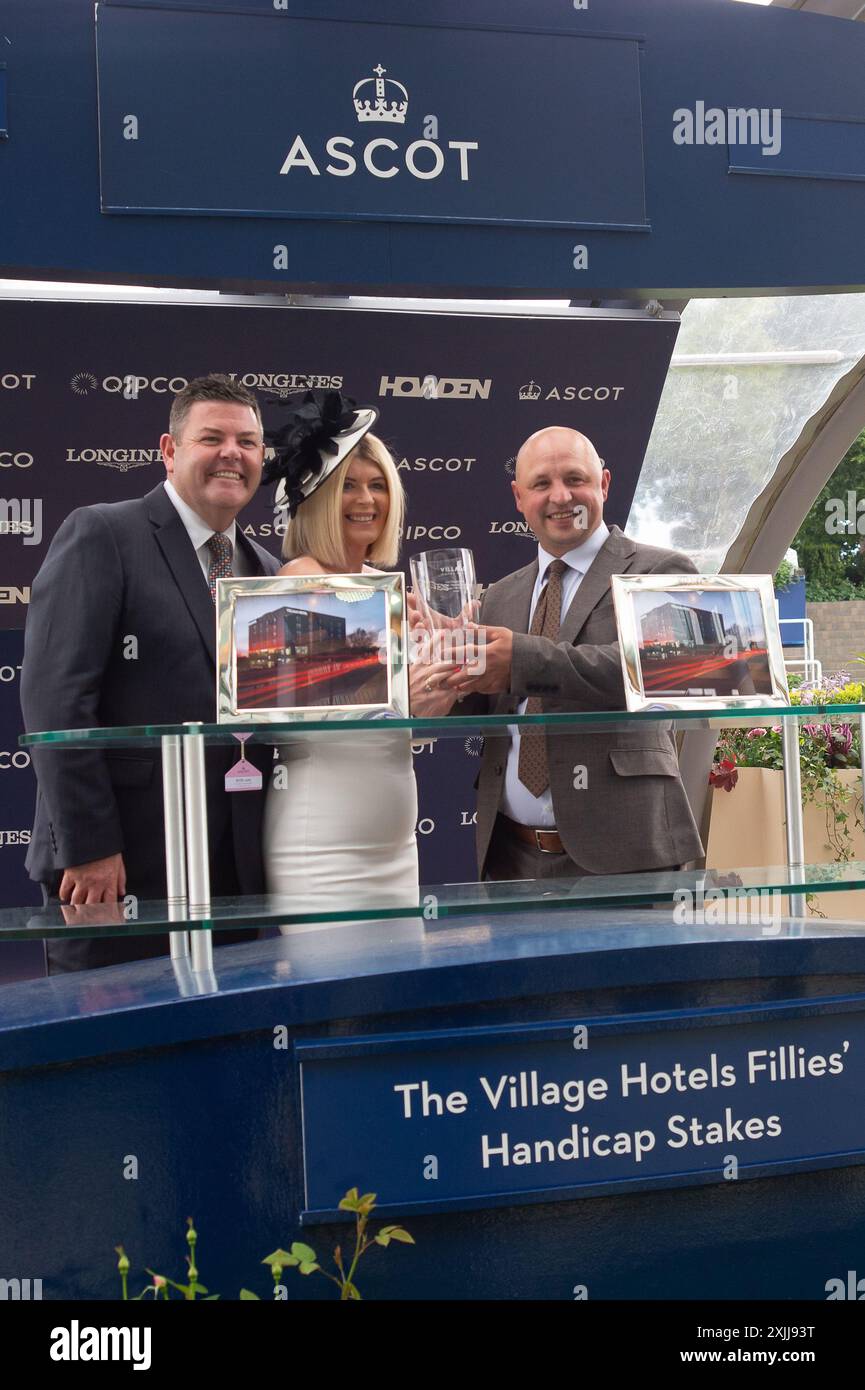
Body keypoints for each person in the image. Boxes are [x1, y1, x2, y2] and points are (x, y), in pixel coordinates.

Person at [21, 374, 280, 972]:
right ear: (168, 450)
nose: (231, 455)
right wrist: (89, 850)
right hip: (114, 875)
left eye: (247, 442)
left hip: (228, 879)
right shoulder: (103, 534)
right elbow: (56, 701)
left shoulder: (265, 570)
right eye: (211, 438)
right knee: (109, 1054)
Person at [413, 426, 704, 882]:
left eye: (575, 479)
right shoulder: (501, 596)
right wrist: (443, 673)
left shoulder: (659, 570)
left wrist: (522, 660)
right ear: (518, 496)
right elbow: (490, 701)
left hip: (625, 854)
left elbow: (662, 670)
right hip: (509, 853)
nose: (560, 497)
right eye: (542, 484)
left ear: (604, 484)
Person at [261, 390, 421, 919]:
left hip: (397, 836)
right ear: (319, 498)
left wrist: (446, 681)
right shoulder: (298, 581)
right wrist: (401, 686)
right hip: (324, 840)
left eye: (378, 486)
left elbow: (406, 717)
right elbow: (305, 716)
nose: (367, 500)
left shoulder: (388, 587)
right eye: (348, 485)